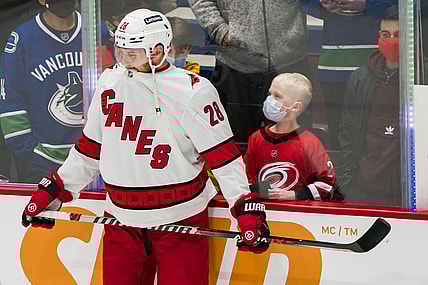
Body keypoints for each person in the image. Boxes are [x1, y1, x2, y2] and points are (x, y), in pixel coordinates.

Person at [21, 9, 270, 285]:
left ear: (158, 50)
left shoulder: (193, 91)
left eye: (133, 53)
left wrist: (244, 208)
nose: (125, 60)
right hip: (121, 220)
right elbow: (90, 149)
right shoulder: (108, 82)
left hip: (181, 221)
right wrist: (55, 192)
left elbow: (223, 157)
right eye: (121, 51)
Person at [188, 0, 313, 143]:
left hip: (290, 61)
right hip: (235, 63)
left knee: (296, 148)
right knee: (234, 147)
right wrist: (219, 30)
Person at [0, 0, 82, 183]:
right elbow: (10, 101)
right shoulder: (23, 38)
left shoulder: (96, 32)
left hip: (92, 162)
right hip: (40, 165)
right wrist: (31, 154)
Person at [300, 0, 397, 150]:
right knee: (338, 134)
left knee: (379, 132)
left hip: (378, 58)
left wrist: (368, 4)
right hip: (334, 63)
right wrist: (321, 5)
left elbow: (404, 6)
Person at [244, 73, 344, 201]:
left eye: (277, 96)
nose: (270, 100)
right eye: (270, 94)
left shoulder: (309, 142)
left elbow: (327, 184)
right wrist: (258, 192)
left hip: (297, 215)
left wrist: (295, 195)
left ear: (296, 107)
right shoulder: (257, 138)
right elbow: (247, 179)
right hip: (262, 210)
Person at [338, 6, 401, 206]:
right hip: (363, 189)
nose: (391, 40)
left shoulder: (421, 78)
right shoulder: (360, 78)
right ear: (378, 38)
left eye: (398, 35)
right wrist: (348, 185)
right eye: (386, 34)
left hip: (407, 192)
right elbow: (347, 133)